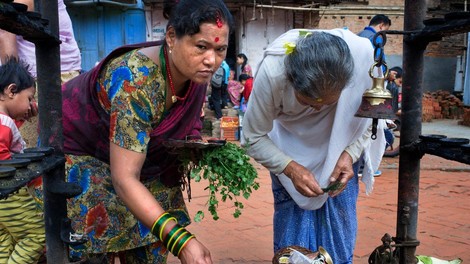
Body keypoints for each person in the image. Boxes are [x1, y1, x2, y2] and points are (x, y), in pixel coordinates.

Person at [54, 0, 233, 263]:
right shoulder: (134, 81)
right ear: (171, 37)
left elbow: (182, 124)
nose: (211, 60)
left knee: (152, 239)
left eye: (220, 49)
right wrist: (182, 243)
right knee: (98, 245)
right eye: (202, 47)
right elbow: (125, 178)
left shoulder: (194, 72)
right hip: (80, 153)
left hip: (136, 159)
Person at [241, 28, 386, 263]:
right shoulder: (273, 73)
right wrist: (289, 167)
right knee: (291, 231)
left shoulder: (362, 62)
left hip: (342, 146)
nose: (318, 110)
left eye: (327, 105)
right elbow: (252, 137)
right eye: (308, 103)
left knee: (340, 223)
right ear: (291, 82)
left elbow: (371, 120)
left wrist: (349, 153)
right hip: (287, 147)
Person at [0, 0, 82, 147]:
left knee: (43, 148)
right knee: (31, 149)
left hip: (49, 72)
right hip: (37, 76)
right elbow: (7, 26)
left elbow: (9, 23)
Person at [0, 57, 44, 264]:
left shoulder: (7, 123)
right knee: (36, 236)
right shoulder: (4, 124)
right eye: (29, 98)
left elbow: (8, 133)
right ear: (11, 91)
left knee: (4, 241)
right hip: (7, 190)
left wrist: (22, 116)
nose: (31, 105)